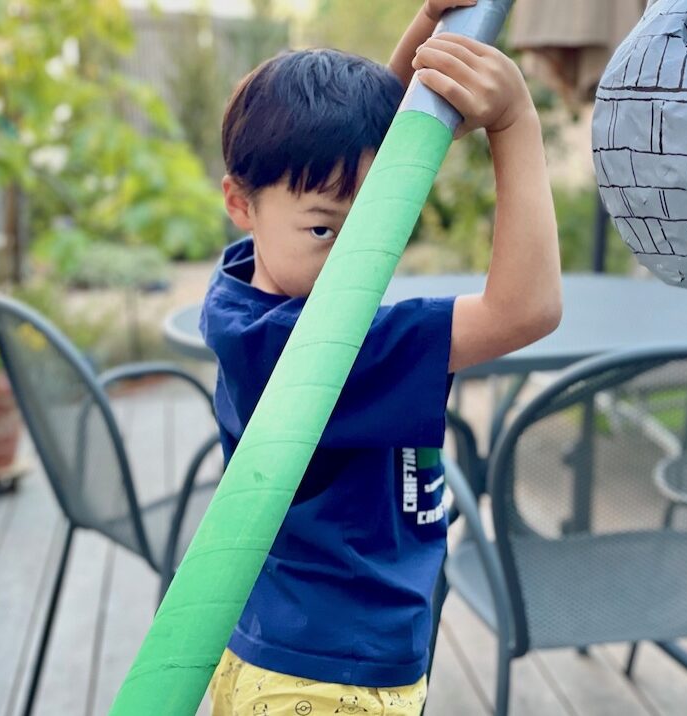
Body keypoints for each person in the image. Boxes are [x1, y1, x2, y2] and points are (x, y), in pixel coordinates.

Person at [201, 1, 561, 713]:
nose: (356, 253)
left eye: (374, 220)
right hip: (331, 676)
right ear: (239, 204)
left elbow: (371, 157)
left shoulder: (247, 294)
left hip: (290, 641)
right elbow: (528, 310)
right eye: (325, 230)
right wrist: (515, 123)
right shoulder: (322, 347)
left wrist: (429, 25)